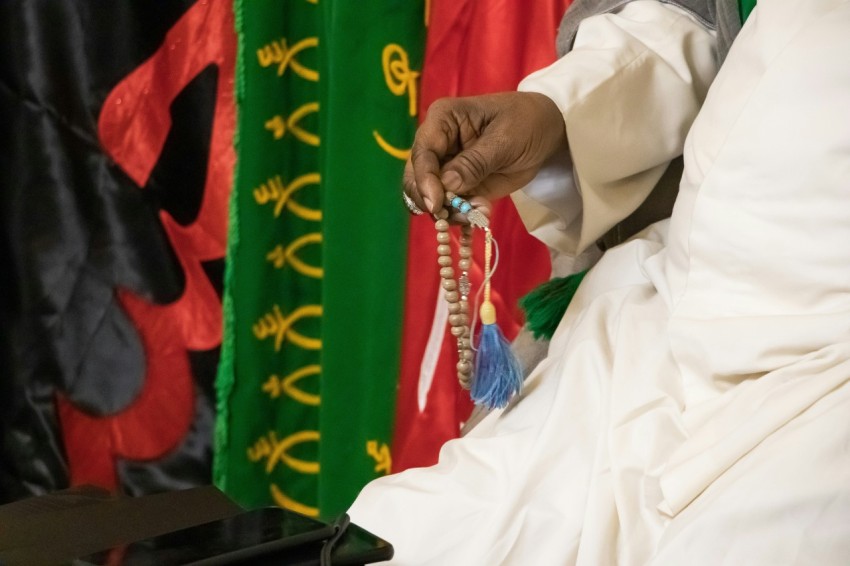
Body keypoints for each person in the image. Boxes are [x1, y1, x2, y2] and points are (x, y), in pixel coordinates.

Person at [349, 0, 850, 564]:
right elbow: (701, 21)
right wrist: (559, 110)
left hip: (826, 356)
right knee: (415, 528)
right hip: (662, 309)